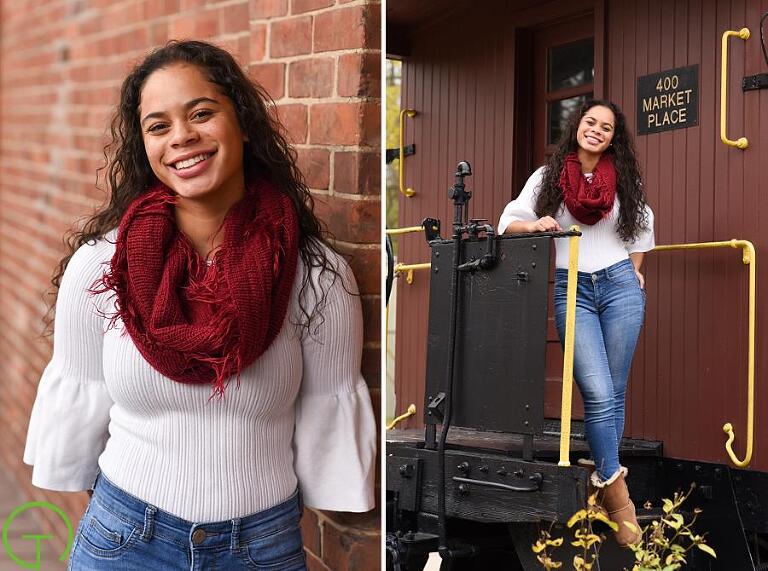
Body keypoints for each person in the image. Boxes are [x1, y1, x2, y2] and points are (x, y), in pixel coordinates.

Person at [23, 40, 376, 570]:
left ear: (244, 123)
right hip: (125, 540)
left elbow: (329, 405)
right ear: (143, 145)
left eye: (202, 113)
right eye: (158, 126)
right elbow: (83, 396)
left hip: (262, 547)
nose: (182, 138)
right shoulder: (101, 266)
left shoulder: (315, 275)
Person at [497, 99, 654, 546]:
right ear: (577, 126)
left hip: (621, 286)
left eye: (606, 127)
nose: (597, 131)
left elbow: (643, 226)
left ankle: (605, 481)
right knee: (598, 392)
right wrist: (537, 226)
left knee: (615, 393)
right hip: (574, 289)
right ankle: (616, 495)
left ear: (613, 137)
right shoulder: (548, 177)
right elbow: (510, 221)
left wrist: (637, 270)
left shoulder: (623, 177)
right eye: (591, 122)